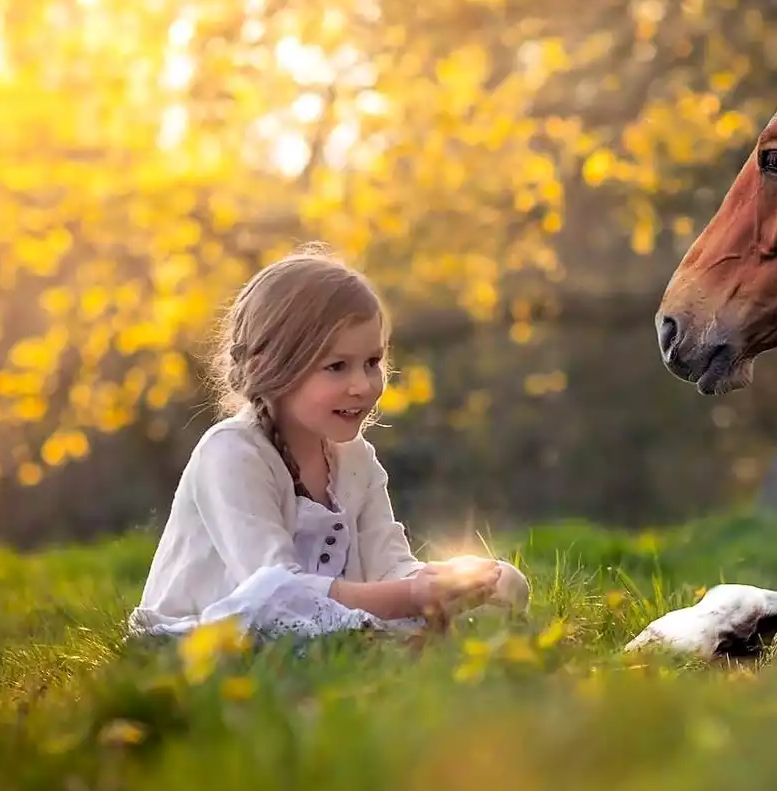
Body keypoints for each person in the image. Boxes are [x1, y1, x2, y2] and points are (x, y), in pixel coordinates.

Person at [128, 244, 527, 640]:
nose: (363, 385)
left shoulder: (355, 459)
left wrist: (446, 585)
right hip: (213, 637)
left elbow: (389, 565)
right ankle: (383, 638)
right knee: (274, 599)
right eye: (337, 367)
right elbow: (272, 593)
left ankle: (396, 635)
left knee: (504, 582)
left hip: (319, 624)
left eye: (372, 362)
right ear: (272, 368)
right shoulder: (232, 452)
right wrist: (409, 596)